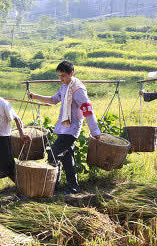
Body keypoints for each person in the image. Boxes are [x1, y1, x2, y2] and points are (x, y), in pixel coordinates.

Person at [28, 60, 102, 194]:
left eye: (63, 76)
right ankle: (73, 187)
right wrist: (35, 96)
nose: (61, 79)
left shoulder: (78, 90)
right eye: (59, 76)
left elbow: (88, 110)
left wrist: (95, 131)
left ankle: (53, 185)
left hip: (72, 129)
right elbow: (53, 100)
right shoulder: (64, 87)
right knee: (68, 158)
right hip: (63, 128)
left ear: (71, 73)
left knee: (53, 154)